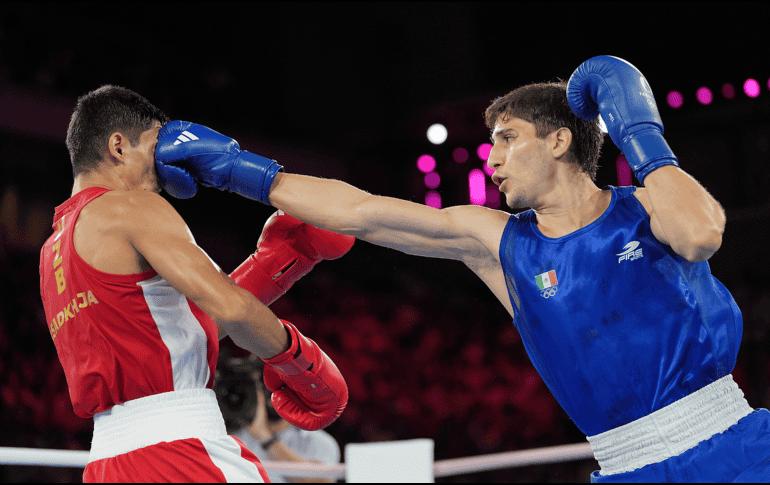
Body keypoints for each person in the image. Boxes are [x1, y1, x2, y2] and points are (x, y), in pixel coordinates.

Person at [155, 56, 770, 482]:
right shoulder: (497, 240)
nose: (492, 158)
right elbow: (364, 212)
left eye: (507, 139)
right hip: (624, 463)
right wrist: (235, 169)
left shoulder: (647, 207)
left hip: (730, 444)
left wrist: (640, 132)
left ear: (559, 141)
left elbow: (700, 232)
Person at [39, 85, 354, 483]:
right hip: (180, 452)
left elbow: (179, 327)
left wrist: (281, 262)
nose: (167, 166)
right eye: (155, 147)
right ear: (118, 146)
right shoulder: (130, 206)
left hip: (107, 465)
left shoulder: (53, 249)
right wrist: (301, 363)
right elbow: (232, 308)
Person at [220, 354, 341, 483]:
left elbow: (320, 482)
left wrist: (265, 438)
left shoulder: (319, 442)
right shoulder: (231, 441)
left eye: (281, 384)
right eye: (264, 384)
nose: (273, 393)